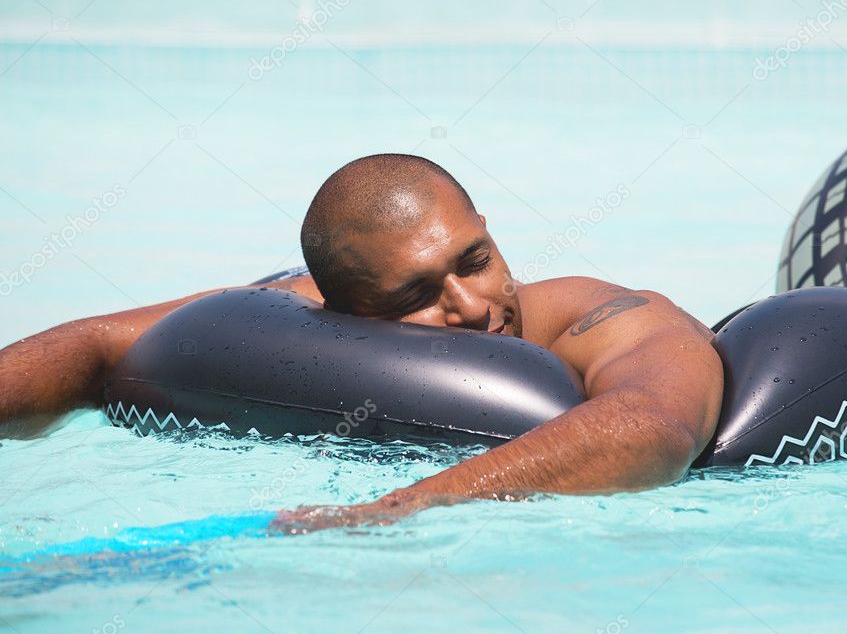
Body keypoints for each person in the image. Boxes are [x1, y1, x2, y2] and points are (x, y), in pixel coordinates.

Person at [0, 154, 725, 533]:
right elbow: (95, 344)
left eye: (474, 260)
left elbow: (653, 428)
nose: (471, 308)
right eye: (416, 297)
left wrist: (394, 512)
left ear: (484, 226)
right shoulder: (296, 312)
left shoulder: (611, 319)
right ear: (343, 316)